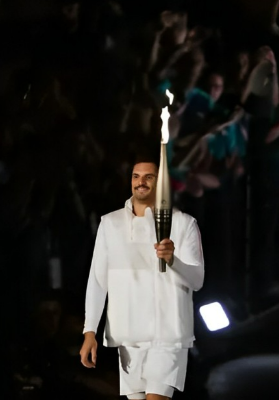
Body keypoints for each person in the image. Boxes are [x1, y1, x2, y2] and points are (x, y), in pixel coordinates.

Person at [79, 155, 205, 400]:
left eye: (149, 177)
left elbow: (197, 280)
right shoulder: (110, 223)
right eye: (136, 176)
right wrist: (89, 332)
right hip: (128, 335)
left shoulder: (183, 224)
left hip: (167, 335)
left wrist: (173, 261)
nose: (141, 182)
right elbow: (97, 281)